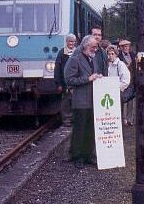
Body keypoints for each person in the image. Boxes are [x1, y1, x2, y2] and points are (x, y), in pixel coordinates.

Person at [64, 35, 103, 168]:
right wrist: (88, 78)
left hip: (93, 100)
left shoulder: (93, 58)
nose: (95, 49)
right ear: (86, 46)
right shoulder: (75, 59)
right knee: (80, 130)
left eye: (96, 47)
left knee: (91, 129)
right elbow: (69, 79)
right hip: (80, 101)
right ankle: (77, 156)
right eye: (93, 47)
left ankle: (88, 155)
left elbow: (94, 73)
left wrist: (98, 77)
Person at [54, 33, 77, 127]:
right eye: (70, 41)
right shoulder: (62, 53)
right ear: (67, 42)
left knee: (76, 101)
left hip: (76, 81)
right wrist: (58, 83)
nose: (71, 43)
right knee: (66, 101)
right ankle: (67, 119)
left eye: (73, 41)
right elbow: (57, 68)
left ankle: (76, 118)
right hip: (65, 82)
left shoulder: (78, 52)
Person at [106, 45, 131, 125]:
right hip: (107, 93)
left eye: (112, 54)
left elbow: (126, 81)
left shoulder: (120, 65)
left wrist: (116, 89)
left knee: (117, 114)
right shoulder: (107, 64)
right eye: (109, 54)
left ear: (116, 54)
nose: (110, 56)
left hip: (117, 93)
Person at [118, 39, 137, 126]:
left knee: (131, 100)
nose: (126, 48)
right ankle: (123, 119)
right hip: (123, 81)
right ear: (121, 47)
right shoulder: (118, 56)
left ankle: (130, 119)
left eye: (128, 46)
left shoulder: (133, 55)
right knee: (123, 100)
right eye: (125, 46)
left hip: (132, 80)